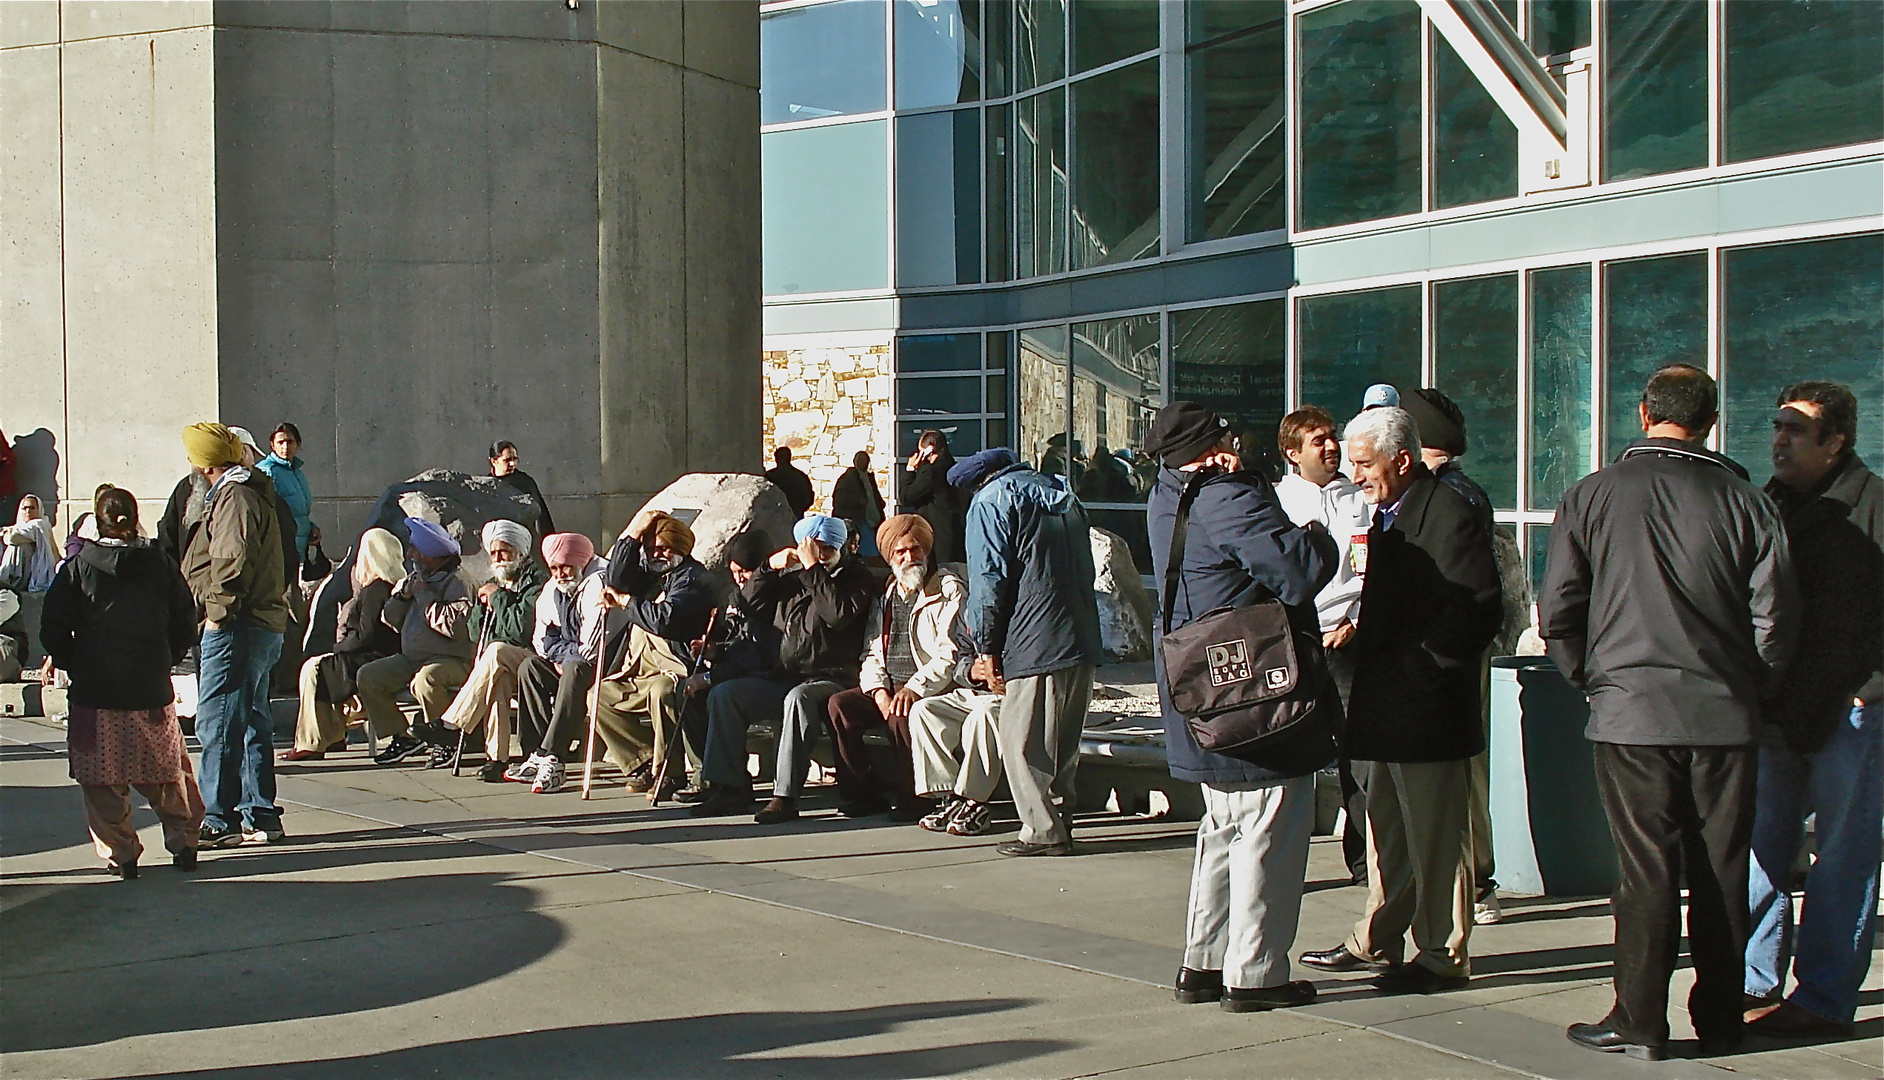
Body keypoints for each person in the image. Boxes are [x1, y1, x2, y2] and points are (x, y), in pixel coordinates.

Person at [1540, 365, 1797, 1061]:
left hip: (1630, 711)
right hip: (1723, 712)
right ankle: (1720, 1016)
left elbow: (1558, 608)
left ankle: (1640, 1020)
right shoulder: (1746, 502)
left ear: (1644, 413)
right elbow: (1773, 617)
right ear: (1710, 421)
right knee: (1721, 868)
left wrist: (1590, 680)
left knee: (1645, 871)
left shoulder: (1591, 495)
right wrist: (1751, 687)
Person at [1298, 406, 1503, 996]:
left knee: (1436, 839)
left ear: (1403, 460)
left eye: (1364, 464)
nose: (1354, 474)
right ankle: (1377, 937)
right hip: (1385, 703)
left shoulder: (1448, 512)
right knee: (1385, 828)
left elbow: (1474, 610)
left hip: (1426, 711)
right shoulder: (1388, 513)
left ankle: (1441, 952)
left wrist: (1423, 669)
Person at [1146, 402, 1340, 1013]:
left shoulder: (1167, 495)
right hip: (1255, 695)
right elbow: (1298, 571)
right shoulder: (1226, 495)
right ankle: (1255, 973)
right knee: (1268, 830)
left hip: (1204, 692)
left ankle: (1203, 962)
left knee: (1224, 830)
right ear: (1212, 448)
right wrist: (1318, 534)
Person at [1743, 381, 1882, 1038]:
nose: (1780, 441)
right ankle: (1751, 983)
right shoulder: (1769, 505)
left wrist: (1871, 688)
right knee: (1760, 851)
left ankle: (1823, 999)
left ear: (1836, 442)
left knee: (1844, 857)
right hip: (1775, 708)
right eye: (1777, 427)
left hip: (1849, 712)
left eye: (1796, 431)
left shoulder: (1874, 506)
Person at [40, 487, 203, 877]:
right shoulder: (161, 564)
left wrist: (73, 662)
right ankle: (184, 844)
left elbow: (53, 627)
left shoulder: (78, 567)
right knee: (164, 771)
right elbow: (185, 619)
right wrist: (166, 656)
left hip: (95, 689)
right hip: (149, 684)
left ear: (97, 521)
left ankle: (123, 854)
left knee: (101, 780)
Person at [951, 445, 1103, 857]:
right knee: (1062, 740)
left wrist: (986, 647)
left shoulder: (991, 501)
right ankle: (1059, 821)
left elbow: (988, 581)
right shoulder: (1064, 496)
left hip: (1033, 637)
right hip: (1081, 634)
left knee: (1023, 741)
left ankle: (1041, 831)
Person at [1398, 387, 1501, 924]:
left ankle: (1477, 879)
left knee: (1463, 773)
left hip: (1449, 657)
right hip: (1445, 654)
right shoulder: (1457, 491)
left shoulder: (1452, 497)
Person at [178, 422, 291, 847]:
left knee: (220, 720)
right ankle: (258, 811)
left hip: (237, 624)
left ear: (205, 463)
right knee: (248, 718)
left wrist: (215, 614)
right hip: (254, 622)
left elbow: (230, 560)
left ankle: (219, 816)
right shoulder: (245, 490)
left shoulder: (234, 495)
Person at [1274, 406, 1372, 887]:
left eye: (1332, 438)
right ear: (1293, 453)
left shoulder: (1359, 500)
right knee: (1294, 751)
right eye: (1318, 441)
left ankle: (1362, 860)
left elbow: (1371, 565)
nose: (1331, 447)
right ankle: (1284, 862)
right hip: (1299, 642)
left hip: (1348, 638)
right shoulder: (1276, 504)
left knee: (1358, 752)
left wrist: (1355, 619)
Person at [824, 514, 965, 821]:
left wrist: (914, 688)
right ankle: (862, 794)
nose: (909, 557)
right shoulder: (887, 593)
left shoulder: (947, 589)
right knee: (840, 706)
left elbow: (950, 654)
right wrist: (877, 692)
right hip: (890, 686)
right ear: (890, 558)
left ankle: (915, 798)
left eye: (915, 550)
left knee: (903, 713)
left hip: (932, 687)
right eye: (900, 552)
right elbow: (872, 649)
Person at [737, 515, 876, 824]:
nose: (819, 557)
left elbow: (837, 615)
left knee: (799, 698)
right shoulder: (793, 580)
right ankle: (725, 784)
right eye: (812, 550)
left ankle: (784, 796)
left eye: (825, 550)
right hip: (785, 675)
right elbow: (750, 606)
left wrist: (814, 570)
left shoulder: (856, 579)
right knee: (728, 695)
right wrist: (767, 569)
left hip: (833, 678)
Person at [588, 510, 715, 796]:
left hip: (675, 666)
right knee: (598, 697)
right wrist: (634, 531)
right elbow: (615, 578)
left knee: (662, 693)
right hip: (639, 666)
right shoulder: (651, 575)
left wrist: (624, 601)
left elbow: (664, 620)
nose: (657, 554)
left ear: (680, 548)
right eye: (650, 549)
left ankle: (670, 772)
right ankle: (642, 760)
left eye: (663, 548)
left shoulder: (692, 578)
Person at [686, 532, 791, 818]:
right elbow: (739, 643)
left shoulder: (780, 596)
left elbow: (762, 654)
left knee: (724, 695)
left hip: (776, 678)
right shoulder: (738, 597)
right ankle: (721, 778)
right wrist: (715, 651)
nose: (739, 579)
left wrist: (711, 677)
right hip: (747, 672)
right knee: (687, 695)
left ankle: (728, 789)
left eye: (745, 571)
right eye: (734, 573)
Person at [358, 518, 475, 766]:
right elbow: (389, 619)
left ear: (432, 555)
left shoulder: (458, 582)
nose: (410, 554)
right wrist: (402, 596)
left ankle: (445, 738)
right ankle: (403, 736)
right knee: (369, 676)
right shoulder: (418, 578)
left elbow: (455, 627)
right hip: (412, 657)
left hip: (452, 660)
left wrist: (424, 595)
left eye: (416, 550)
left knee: (426, 681)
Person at [435, 519, 547, 775]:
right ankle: (497, 759)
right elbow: (475, 634)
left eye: (504, 551)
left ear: (520, 552)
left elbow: (522, 630)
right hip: (505, 663)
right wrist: (482, 606)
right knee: (498, 680)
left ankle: (452, 724)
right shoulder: (493, 581)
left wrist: (498, 597)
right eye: (493, 553)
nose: (498, 558)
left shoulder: (536, 581)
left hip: (533, 658)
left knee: (496, 651)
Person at [283, 528, 403, 761]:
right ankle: (330, 735)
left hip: (372, 657)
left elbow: (366, 635)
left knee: (313, 669)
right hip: (381, 655)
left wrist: (339, 648)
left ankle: (312, 741)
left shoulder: (376, 589)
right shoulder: (393, 586)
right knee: (321, 668)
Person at [505, 532, 608, 794]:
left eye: (566, 567)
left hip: (606, 662)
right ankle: (535, 753)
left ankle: (552, 756)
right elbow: (540, 641)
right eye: (555, 568)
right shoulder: (553, 587)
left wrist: (563, 654)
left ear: (581, 562)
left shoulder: (598, 581)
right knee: (531, 668)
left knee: (574, 670)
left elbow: (591, 649)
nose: (561, 573)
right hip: (568, 659)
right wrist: (561, 655)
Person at [909, 619, 1004, 836]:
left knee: (983, 716)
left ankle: (974, 800)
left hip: (1008, 693)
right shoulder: (968, 609)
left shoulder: (1018, 605)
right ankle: (949, 796)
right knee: (925, 710)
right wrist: (971, 672)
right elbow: (961, 659)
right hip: (975, 693)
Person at [255, 422, 315, 565]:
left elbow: (298, 511)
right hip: (279, 549)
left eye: (290, 442)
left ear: (298, 444)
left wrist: (311, 527)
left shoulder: (297, 472)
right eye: (280, 442)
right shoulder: (267, 471)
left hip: (299, 546)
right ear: (272, 445)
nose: (285, 447)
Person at [902, 430, 967, 563]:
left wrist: (910, 470)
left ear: (929, 449)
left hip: (936, 541)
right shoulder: (955, 468)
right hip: (956, 538)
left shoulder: (930, 472)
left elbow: (906, 497)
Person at [489, 440, 556, 535]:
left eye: (515, 459)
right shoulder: (486, 485)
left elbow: (542, 517)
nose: (512, 464)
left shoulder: (525, 482)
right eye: (507, 460)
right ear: (494, 461)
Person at [0, 494, 58, 593]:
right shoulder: (20, 526)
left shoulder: (40, 524)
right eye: (25, 508)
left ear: (38, 509)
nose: (28, 511)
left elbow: (12, 538)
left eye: (32, 508)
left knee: (19, 546)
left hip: (34, 569)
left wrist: (6, 532)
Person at [831, 451, 886, 546]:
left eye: (865, 460)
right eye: (860, 459)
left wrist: (880, 503)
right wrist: (858, 501)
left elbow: (874, 496)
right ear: (854, 461)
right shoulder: (847, 478)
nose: (863, 462)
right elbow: (838, 500)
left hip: (873, 522)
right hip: (858, 521)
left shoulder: (869, 478)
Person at [765, 446, 815, 518]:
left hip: (779, 516)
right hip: (791, 514)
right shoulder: (800, 476)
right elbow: (809, 497)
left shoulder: (770, 476)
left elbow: (808, 497)